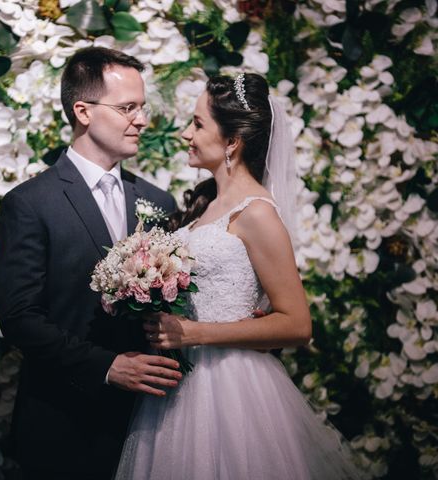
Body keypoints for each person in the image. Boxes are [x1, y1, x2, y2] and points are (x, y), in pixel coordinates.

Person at [114, 73, 364, 479]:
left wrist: (195, 333)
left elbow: (297, 324)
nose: (185, 134)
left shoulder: (257, 212)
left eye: (197, 124)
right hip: (181, 382)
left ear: (232, 141)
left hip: (231, 390)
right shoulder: (207, 207)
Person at [0, 47, 178, 480]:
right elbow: (20, 318)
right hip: (64, 421)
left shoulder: (158, 201)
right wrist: (107, 367)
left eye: (142, 107)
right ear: (83, 111)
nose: (141, 119)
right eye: (127, 107)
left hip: (153, 420)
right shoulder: (29, 203)